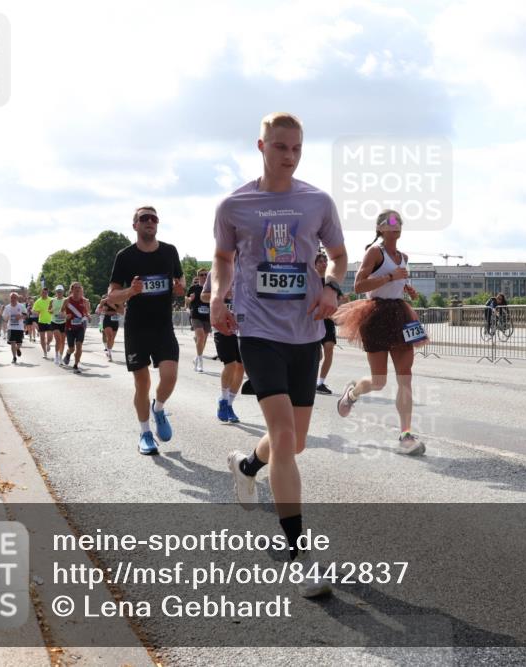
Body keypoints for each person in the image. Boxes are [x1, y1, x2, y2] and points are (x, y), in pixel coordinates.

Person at [215, 111, 347, 598]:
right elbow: (224, 257)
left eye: (296, 148)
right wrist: (216, 295)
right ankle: (298, 555)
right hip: (259, 331)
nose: (288, 156)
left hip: (306, 332)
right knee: (286, 436)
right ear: (261, 146)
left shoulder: (317, 201)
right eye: (280, 147)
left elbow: (338, 253)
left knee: (295, 443)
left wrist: (332, 286)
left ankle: (247, 465)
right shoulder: (235, 205)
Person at [333, 209, 426, 455]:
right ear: (381, 228)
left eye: (400, 222)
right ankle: (352, 394)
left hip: (400, 315)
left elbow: (396, 281)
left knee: (405, 376)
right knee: (379, 381)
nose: (397, 226)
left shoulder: (403, 256)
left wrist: (406, 288)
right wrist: (389, 277)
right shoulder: (375, 252)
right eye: (392, 222)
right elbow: (359, 284)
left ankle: (406, 434)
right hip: (375, 315)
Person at [108, 205, 185, 456]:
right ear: (135, 225)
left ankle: (159, 408)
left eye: (154, 218)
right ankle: (145, 433)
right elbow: (112, 297)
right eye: (144, 218)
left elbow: (181, 281)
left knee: (170, 376)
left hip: (163, 326)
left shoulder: (170, 251)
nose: (150, 221)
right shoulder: (125, 256)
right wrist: (131, 291)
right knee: (142, 382)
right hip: (137, 328)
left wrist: (179, 287)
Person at [202, 272, 243, 423]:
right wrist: (221, 295)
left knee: (241, 367)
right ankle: (224, 400)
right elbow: (204, 296)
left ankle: (230, 404)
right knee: (230, 364)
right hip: (222, 325)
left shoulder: (248, 266)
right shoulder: (216, 272)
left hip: (243, 326)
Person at [315, 251, 345, 395]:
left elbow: (338, 300)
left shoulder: (331, 282)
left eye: (325, 261)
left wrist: (342, 302)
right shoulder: (310, 280)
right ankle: (308, 380)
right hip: (313, 322)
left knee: (329, 349)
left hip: (328, 321)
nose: (323, 263)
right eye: (320, 261)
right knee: (317, 356)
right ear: (314, 264)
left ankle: (320, 383)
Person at [186, 269, 211, 372]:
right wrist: (189, 299)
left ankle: (197, 358)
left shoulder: (211, 288)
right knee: (200, 337)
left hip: (207, 316)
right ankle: (200, 362)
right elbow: (186, 300)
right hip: (196, 315)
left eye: (206, 274)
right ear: (198, 276)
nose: (204, 276)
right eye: (202, 275)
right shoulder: (193, 288)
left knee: (203, 339)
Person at [61, 282, 89, 373]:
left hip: (80, 327)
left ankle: (76, 365)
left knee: (79, 346)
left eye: (79, 287)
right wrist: (65, 316)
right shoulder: (67, 300)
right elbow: (61, 312)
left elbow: (86, 312)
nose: (78, 289)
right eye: (76, 287)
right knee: (72, 348)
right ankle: (68, 354)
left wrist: (88, 316)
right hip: (69, 327)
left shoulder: (85, 301)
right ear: (72, 289)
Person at [96, 294, 124, 362]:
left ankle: (109, 350)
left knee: (112, 339)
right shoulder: (104, 301)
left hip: (115, 321)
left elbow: (122, 312)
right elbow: (99, 311)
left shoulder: (118, 301)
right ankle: (109, 354)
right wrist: (112, 311)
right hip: (107, 320)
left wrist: (112, 306)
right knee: (110, 337)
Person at [2, 292, 28, 364]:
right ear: (10, 298)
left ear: (17, 298)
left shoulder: (21, 306)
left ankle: (17, 349)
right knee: (12, 342)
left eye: (14, 298)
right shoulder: (7, 307)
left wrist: (21, 317)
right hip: (11, 327)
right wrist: (7, 317)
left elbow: (26, 315)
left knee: (19, 343)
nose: (13, 299)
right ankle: (14, 357)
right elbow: (4, 317)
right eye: (11, 298)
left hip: (19, 328)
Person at [32, 287, 54, 359]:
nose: (44, 294)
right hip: (41, 321)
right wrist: (36, 312)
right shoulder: (38, 301)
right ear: (41, 293)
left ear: (47, 293)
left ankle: (48, 343)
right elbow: (33, 310)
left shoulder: (51, 300)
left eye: (46, 293)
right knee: (42, 338)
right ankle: (44, 352)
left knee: (50, 337)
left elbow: (55, 308)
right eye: (43, 292)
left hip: (50, 321)